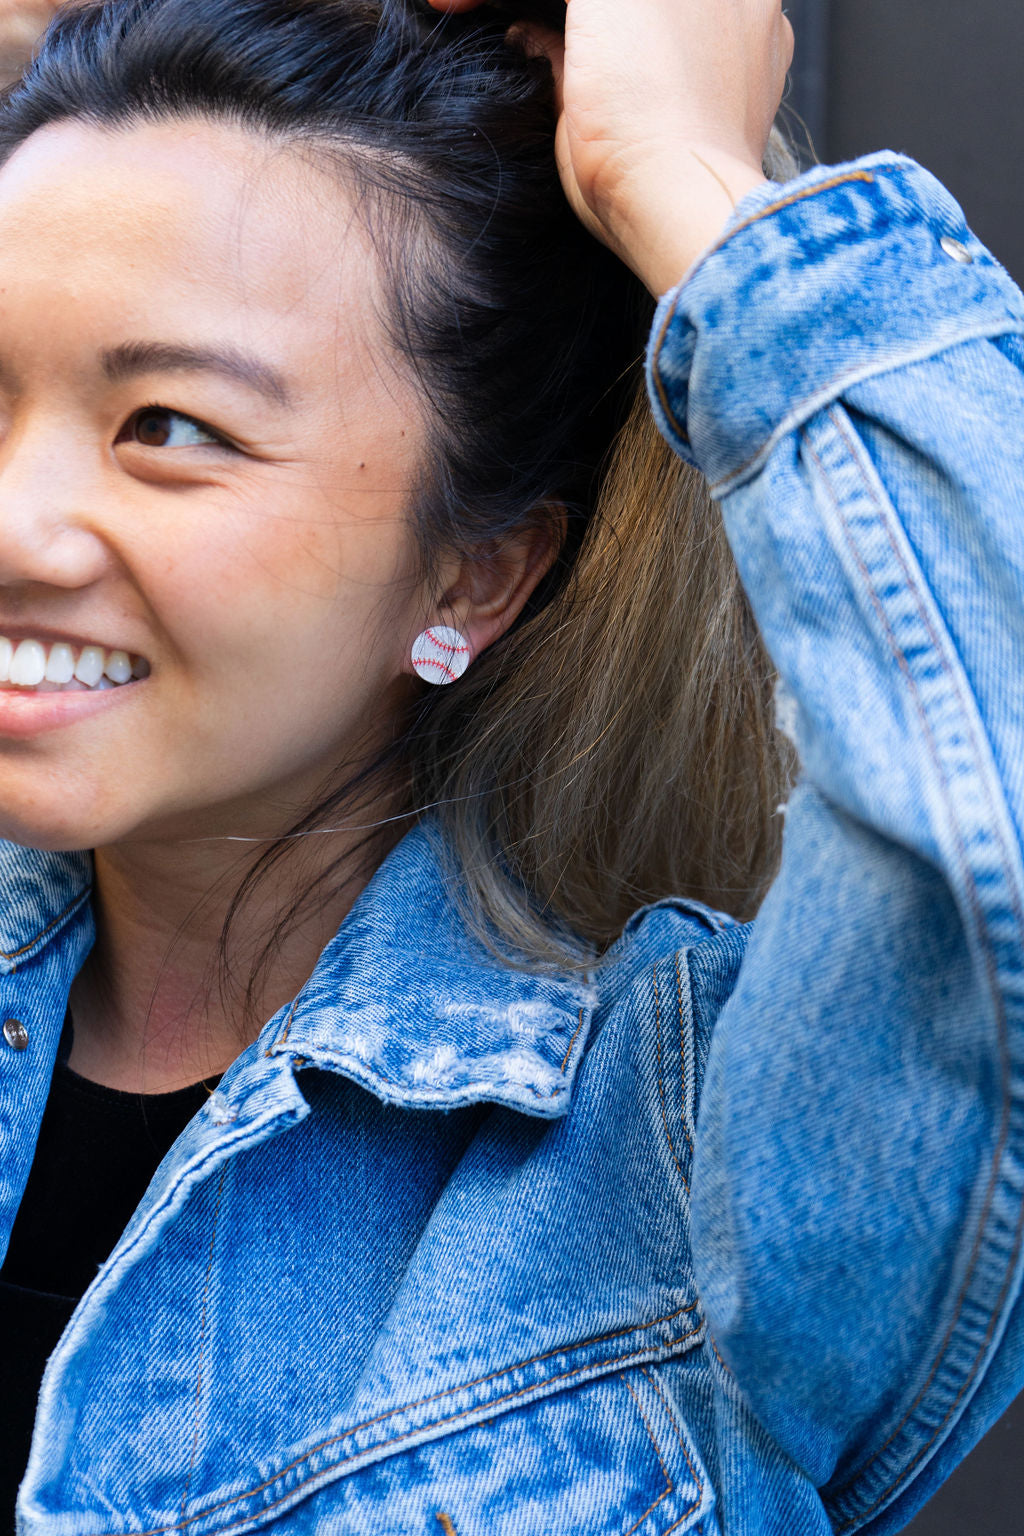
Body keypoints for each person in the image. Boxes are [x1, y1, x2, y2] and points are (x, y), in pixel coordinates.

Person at [0, 0, 1021, 1531]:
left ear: (473, 577)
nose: (20, 526)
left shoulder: (671, 1165)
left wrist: (684, 181)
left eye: (168, 425)